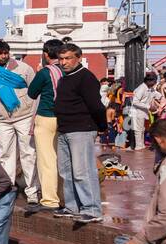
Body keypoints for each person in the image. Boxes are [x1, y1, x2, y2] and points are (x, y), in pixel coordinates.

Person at [54, 43, 108, 222]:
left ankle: (92, 209)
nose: (63, 62)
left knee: (82, 171)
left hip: (81, 130)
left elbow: (96, 105)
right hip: (64, 129)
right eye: (61, 59)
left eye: (68, 58)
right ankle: (72, 206)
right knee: (66, 171)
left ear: (78, 58)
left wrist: (101, 126)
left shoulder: (86, 77)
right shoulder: (64, 78)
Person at [0, 40, 40, 205]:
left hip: (24, 115)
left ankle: (32, 191)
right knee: (5, 154)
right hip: (2, 118)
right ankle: (7, 188)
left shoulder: (24, 68)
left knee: (28, 153)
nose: (3, 56)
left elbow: (34, 89)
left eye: (5, 53)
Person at [26, 39, 66, 210]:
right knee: (62, 160)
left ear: (45, 54)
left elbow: (32, 93)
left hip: (46, 118)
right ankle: (63, 196)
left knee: (47, 161)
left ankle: (50, 200)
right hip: (65, 118)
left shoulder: (45, 73)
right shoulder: (68, 70)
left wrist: (38, 73)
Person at [128, 72, 159, 151]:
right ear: (149, 81)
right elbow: (135, 102)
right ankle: (139, 146)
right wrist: (149, 107)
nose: (155, 83)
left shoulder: (150, 88)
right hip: (137, 111)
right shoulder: (141, 88)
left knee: (142, 129)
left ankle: (141, 145)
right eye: (154, 82)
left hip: (142, 112)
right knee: (138, 130)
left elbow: (156, 94)